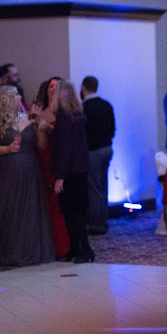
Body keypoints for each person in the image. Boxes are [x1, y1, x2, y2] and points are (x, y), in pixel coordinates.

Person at [0, 86, 55, 267]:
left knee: (29, 208)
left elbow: (42, 146)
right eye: (18, 95)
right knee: (8, 208)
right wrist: (6, 149)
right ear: (9, 99)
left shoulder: (28, 118)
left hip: (30, 170)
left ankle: (28, 250)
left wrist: (38, 125)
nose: (21, 98)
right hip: (4, 171)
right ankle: (5, 251)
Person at [51, 80, 94, 264]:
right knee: (76, 212)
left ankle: (83, 249)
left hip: (69, 171)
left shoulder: (64, 118)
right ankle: (78, 249)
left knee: (72, 213)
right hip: (80, 170)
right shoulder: (77, 116)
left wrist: (60, 175)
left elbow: (65, 148)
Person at [34, 76, 69, 259]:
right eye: (50, 86)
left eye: (56, 86)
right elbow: (39, 144)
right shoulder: (40, 110)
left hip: (60, 159)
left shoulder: (65, 111)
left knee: (59, 204)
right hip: (43, 157)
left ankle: (64, 246)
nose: (52, 89)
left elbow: (67, 139)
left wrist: (48, 128)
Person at [81, 76, 115, 235]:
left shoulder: (84, 108)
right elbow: (113, 128)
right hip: (107, 148)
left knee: (94, 188)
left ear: (83, 87)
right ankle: (103, 218)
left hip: (92, 151)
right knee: (103, 184)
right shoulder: (106, 105)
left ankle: (96, 224)